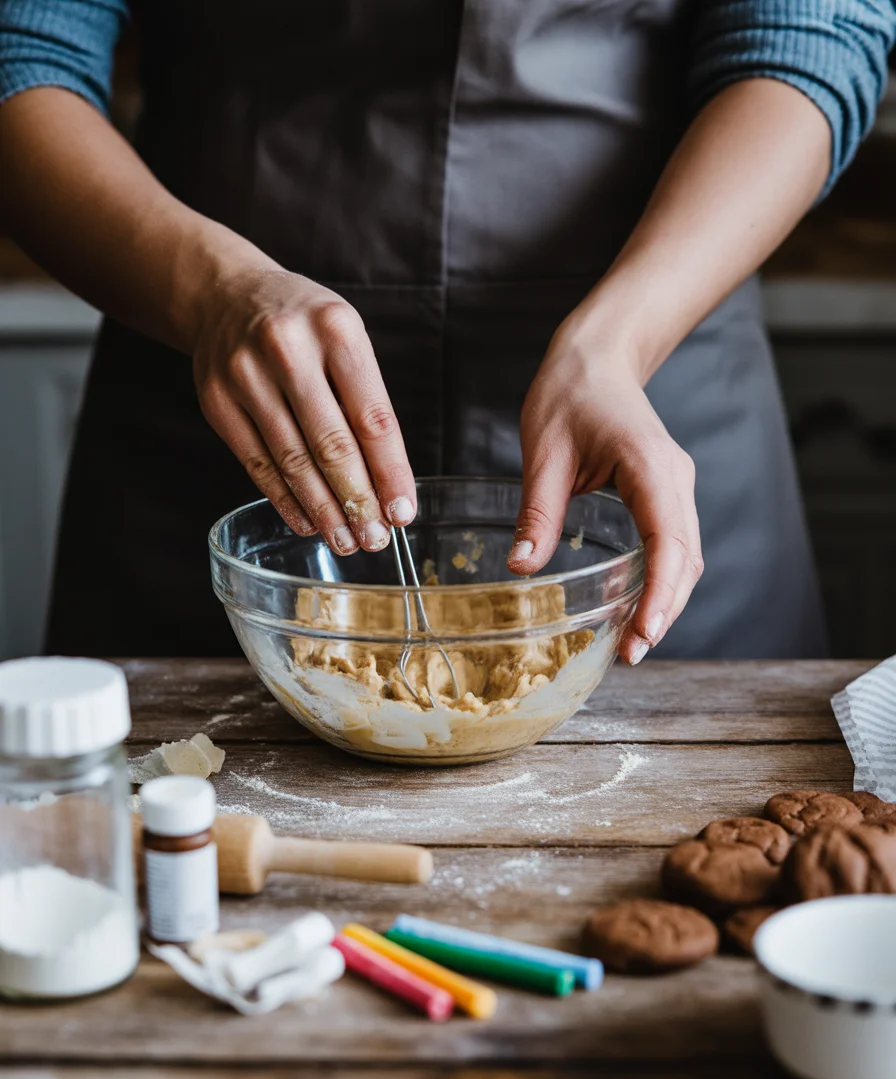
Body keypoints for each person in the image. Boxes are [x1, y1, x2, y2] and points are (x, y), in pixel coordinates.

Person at [1, 2, 892, 662]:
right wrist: (209, 290)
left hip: (652, 374)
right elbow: (25, 46)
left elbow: (808, 35)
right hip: (222, 401)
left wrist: (620, 340)